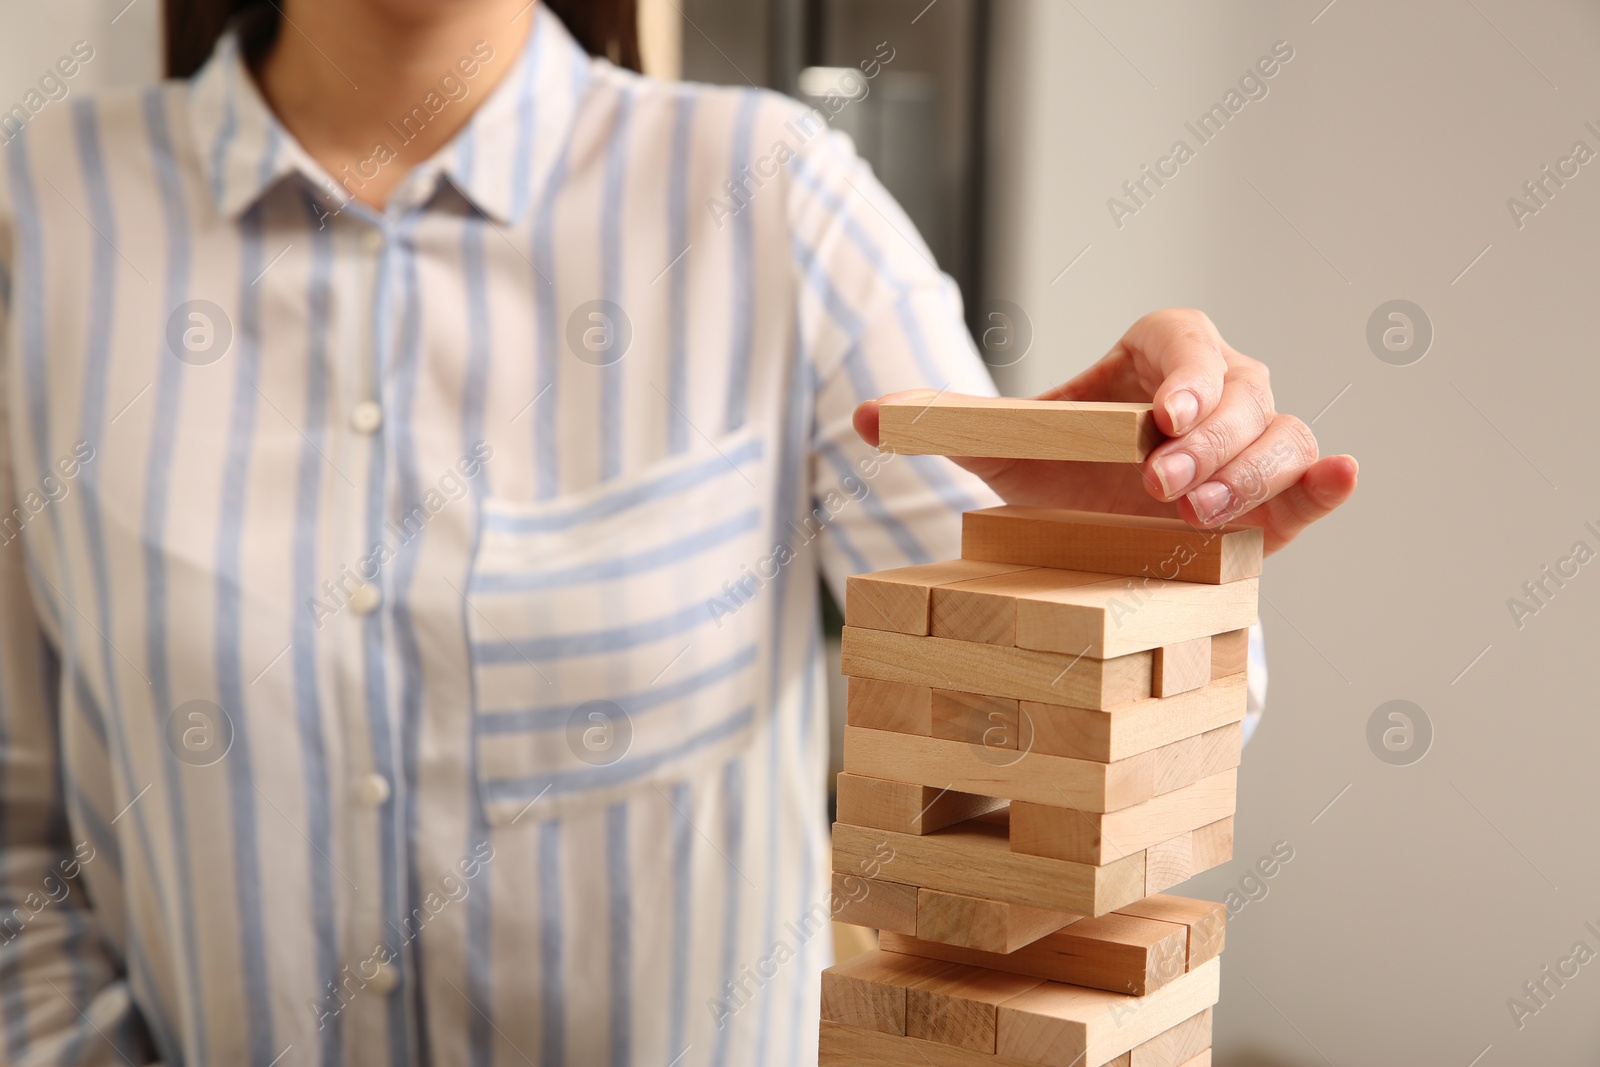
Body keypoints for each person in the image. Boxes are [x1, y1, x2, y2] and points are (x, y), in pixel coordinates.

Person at [0, 0, 1357, 1063]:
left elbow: (1032, 806)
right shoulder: (37, 223)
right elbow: (17, 835)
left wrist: (1121, 574)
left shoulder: (774, 200)